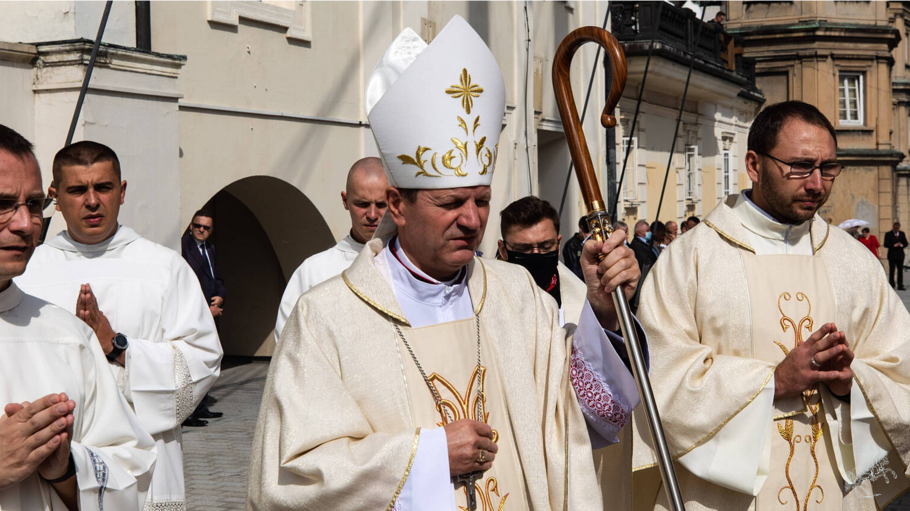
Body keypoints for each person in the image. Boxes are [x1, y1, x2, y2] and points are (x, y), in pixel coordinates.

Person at [248, 16, 646, 510]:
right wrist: (430, 457)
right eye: (450, 202)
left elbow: (585, 418)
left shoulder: (515, 295)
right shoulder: (326, 316)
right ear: (397, 204)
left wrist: (604, 310)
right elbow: (293, 480)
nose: (471, 219)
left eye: (481, 200)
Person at [633, 101, 910, 510]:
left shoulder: (855, 262)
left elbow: (900, 366)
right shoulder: (692, 259)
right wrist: (772, 382)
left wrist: (854, 383)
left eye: (828, 168)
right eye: (799, 166)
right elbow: (661, 377)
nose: (817, 184)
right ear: (753, 164)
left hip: (836, 493)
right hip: (727, 497)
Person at [17, 140, 223, 510]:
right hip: (46, 468)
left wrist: (116, 346)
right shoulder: (28, 271)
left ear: (122, 191)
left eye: (104, 187)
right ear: (55, 196)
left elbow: (204, 361)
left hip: (146, 468)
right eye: (78, 190)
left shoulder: (164, 268)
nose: (92, 201)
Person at [0, 124, 156, 511]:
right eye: (2, 203)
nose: (24, 224)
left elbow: (128, 465)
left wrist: (66, 468)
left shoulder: (67, 336)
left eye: (34, 205)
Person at [274, 157, 388, 341]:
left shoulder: (413, 264)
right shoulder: (313, 271)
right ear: (345, 200)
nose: (372, 215)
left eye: (381, 204)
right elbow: (289, 342)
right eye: (362, 204)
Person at [180, 209, 225, 425]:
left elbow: (217, 278)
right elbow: (184, 287)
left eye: (206, 228)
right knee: (191, 363)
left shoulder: (210, 249)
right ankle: (188, 412)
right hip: (193, 317)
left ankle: (201, 406)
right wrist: (205, 311)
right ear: (191, 225)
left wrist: (220, 297)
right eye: (198, 225)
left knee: (206, 361)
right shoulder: (183, 249)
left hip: (210, 314)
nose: (201, 230)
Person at [561, 215, 589, 280]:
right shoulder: (571, 245)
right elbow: (574, 269)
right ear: (580, 228)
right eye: (586, 231)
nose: (589, 236)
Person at [884, 222, 907, 290]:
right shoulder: (888, 234)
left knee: (900, 270)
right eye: (895, 228)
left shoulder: (902, 234)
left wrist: (902, 245)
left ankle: (900, 285)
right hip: (892, 255)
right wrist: (893, 245)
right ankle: (892, 284)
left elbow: (906, 243)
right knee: (892, 270)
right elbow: (886, 244)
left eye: (898, 228)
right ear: (893, 227)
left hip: (900, 255)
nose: (896, 230)